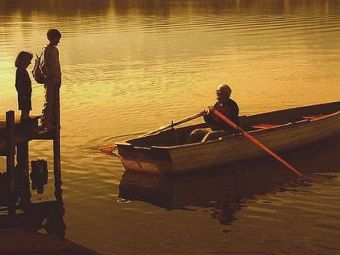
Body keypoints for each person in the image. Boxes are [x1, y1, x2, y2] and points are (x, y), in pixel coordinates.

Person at [41, 28, 62, 130]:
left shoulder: (55, 50)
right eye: (57, 39)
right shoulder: (46, 50)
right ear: (52, 38)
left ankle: (54, 121)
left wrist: (59, 78)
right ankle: (45, 122)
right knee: (49, 101)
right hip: (50, 80)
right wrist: (50, 76)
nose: (58, 41)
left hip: (56, 79)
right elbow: (44, 66)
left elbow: (57, 65)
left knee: (55, 102)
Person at [15, 51, 33, 121]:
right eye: (29, 60)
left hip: (26, 94)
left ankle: (26, 121)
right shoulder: (20, 71)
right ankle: (24, 125)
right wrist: (23, 94)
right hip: (24, 95)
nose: (30, 62)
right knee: (25, 110)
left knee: (26, 109)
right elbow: (18, 85)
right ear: (24, 61)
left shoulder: (22, 70)